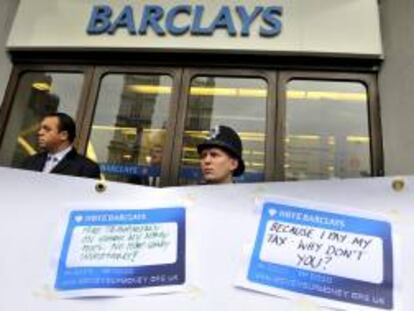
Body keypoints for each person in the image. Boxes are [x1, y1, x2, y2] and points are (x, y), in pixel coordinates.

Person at [21, 112, 101, 179]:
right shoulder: (30, 161)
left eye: (47, 129)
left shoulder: (87, 168)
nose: (40, 133)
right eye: (41, 128)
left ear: (64, 135)